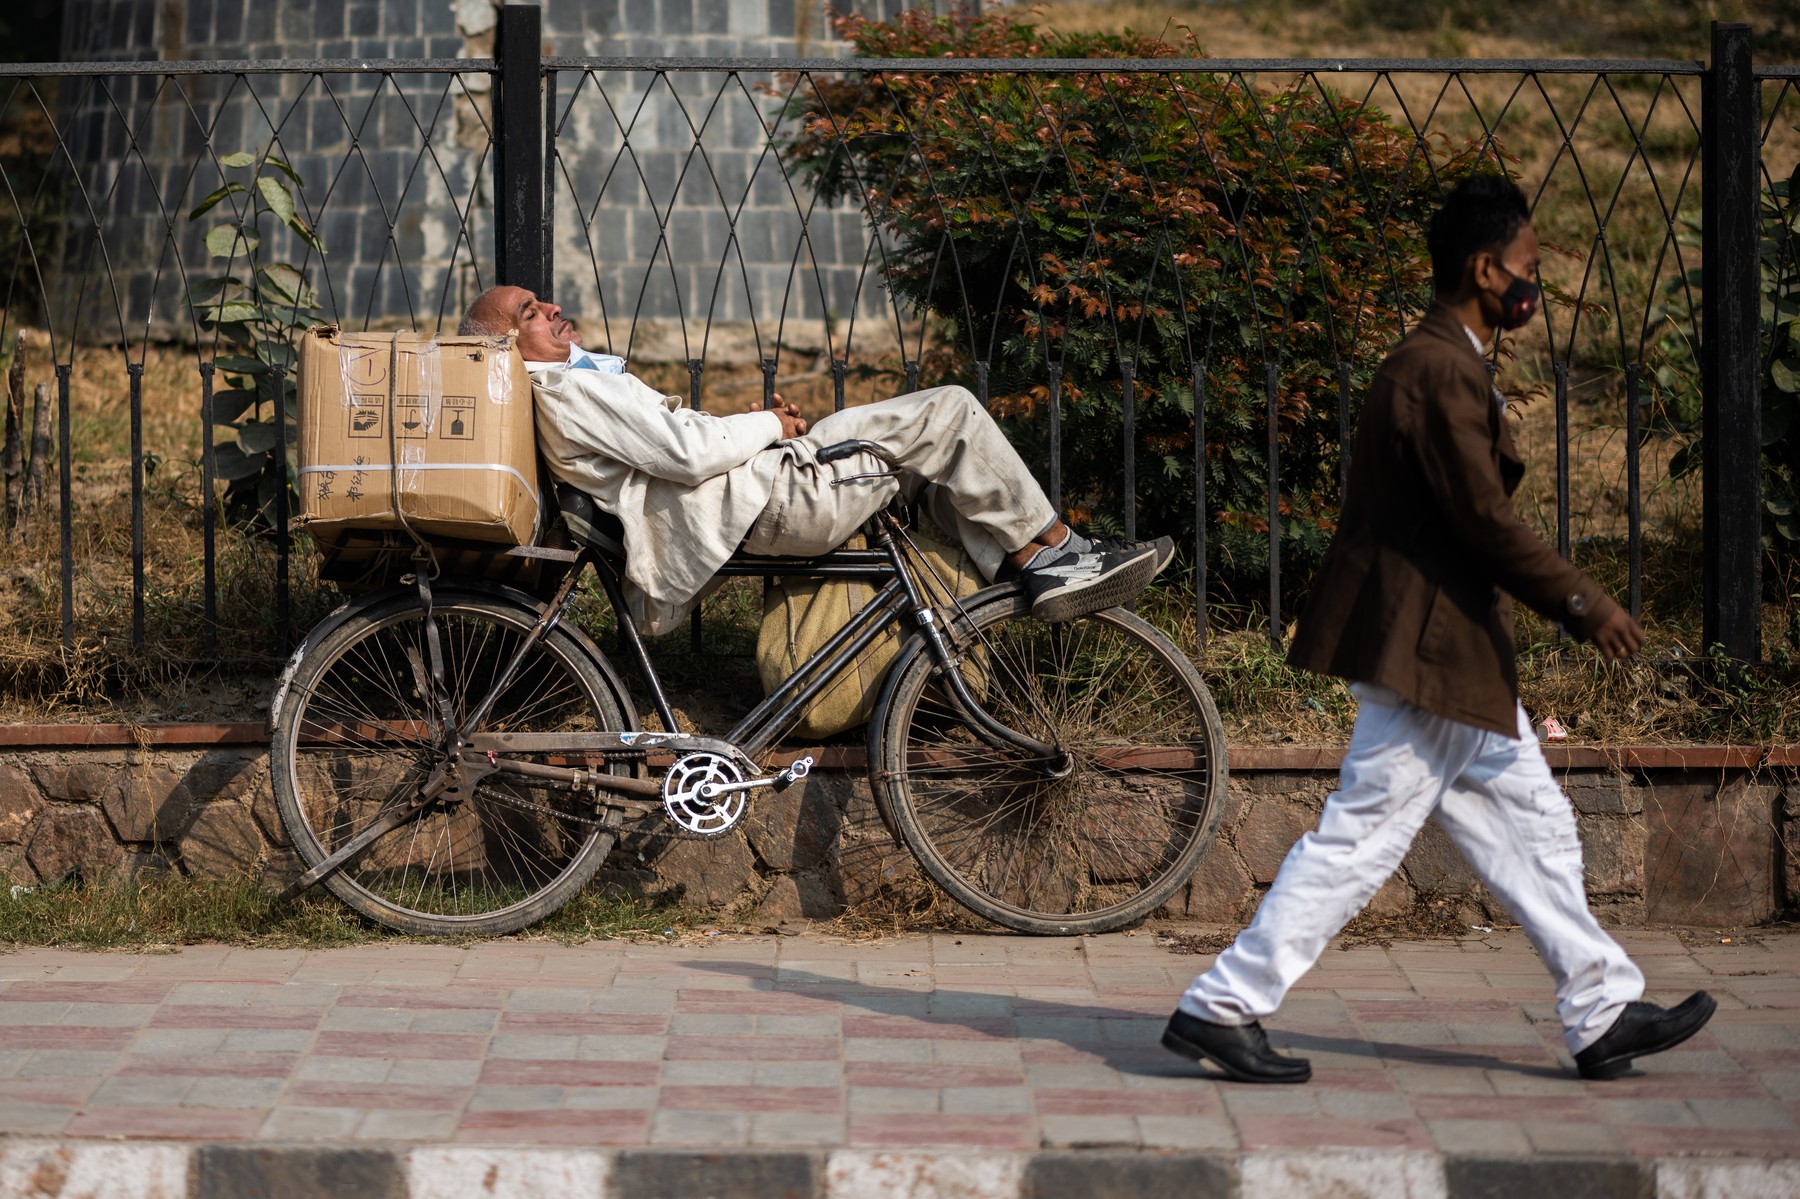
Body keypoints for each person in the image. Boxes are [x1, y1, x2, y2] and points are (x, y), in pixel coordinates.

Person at [1160, 175, 1714, 1085]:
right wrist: (1588, 603)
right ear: (1484, 268)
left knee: (1532, 825)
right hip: (1429, 653)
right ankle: (1224, 1002)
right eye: (1528, 268)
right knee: (1363, 837)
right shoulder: (1438, 371)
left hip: (1447, 651)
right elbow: (1483, 521)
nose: (1533, 285)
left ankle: (1601, 1004)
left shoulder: (1441, 362)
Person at [458, 285, 1170, 636]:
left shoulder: (564, 385)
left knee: (926, 448)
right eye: (527, 313)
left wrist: (770, 430)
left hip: (756, 491)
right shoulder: (565, 389)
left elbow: (682, 443)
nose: (549, 308)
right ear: (508, 348)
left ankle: (1032, 561)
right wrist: (767, 422)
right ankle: (1052, 553)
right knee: (948, 411)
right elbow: (687, 450)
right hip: (763, 504)